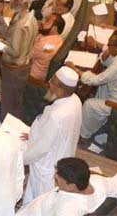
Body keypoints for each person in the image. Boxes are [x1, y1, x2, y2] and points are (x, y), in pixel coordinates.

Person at [22, 67, 82, 203]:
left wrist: (21, 159)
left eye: (52, 81)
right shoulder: (75, 100)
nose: (49, 83)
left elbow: (41, 149)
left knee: (40, 201)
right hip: (62, 155)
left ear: (60, 88)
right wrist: (33, 135)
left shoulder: (58, 116)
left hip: (48, 166)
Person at [16, 157, 117, 215]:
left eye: (58, 179)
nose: (55, 176)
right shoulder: (98, 182)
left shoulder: (67, 209)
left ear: (71, 186)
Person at [0, 0, 37, 120]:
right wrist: (0, 16)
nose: (11, 1)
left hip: (14, 69)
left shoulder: (20, 25)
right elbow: (8, 35)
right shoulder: (28, 16)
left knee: (9, 105)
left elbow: (15, 51)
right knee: (15, 101)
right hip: (23, 67)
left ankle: (7, 130)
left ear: (24, 3)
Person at [29, 14, 65, 81]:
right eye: (44, 19)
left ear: (54, 28)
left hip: (32, 77)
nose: (42, 22)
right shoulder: (59, 39)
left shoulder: (44, 45)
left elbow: (25, 56)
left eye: (47, 21)